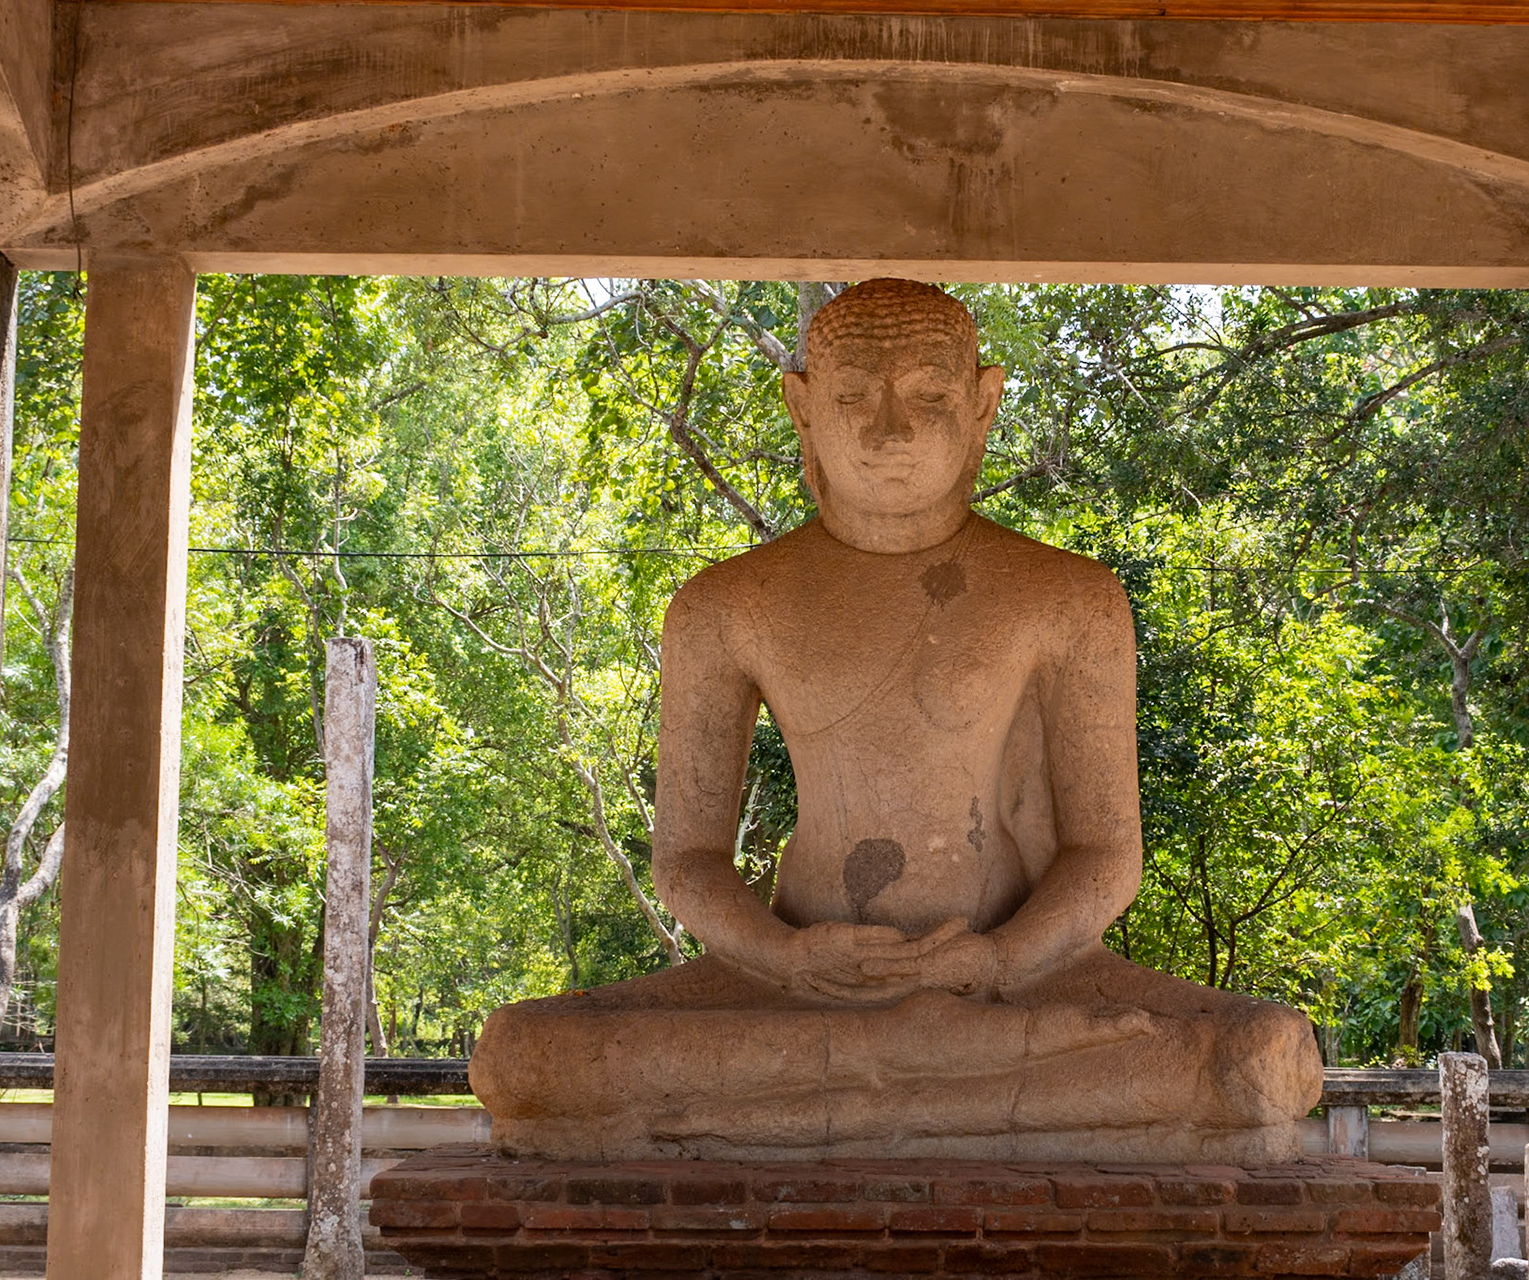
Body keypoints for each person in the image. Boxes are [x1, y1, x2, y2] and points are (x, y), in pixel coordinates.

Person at [469, 279, 1322, 1163]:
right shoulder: (724, 606)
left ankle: (837, 1097)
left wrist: (997, 963)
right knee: (523, 1057)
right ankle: (958, 1085)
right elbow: (687, 864)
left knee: (1257, 1058)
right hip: (792, 993)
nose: (889, 432)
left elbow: (1106, 857)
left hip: (1018, 982)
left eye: (928, 397)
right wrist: (788, 959)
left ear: (984, 404)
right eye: (851, 399)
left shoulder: (1069, 597)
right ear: (800, 406)